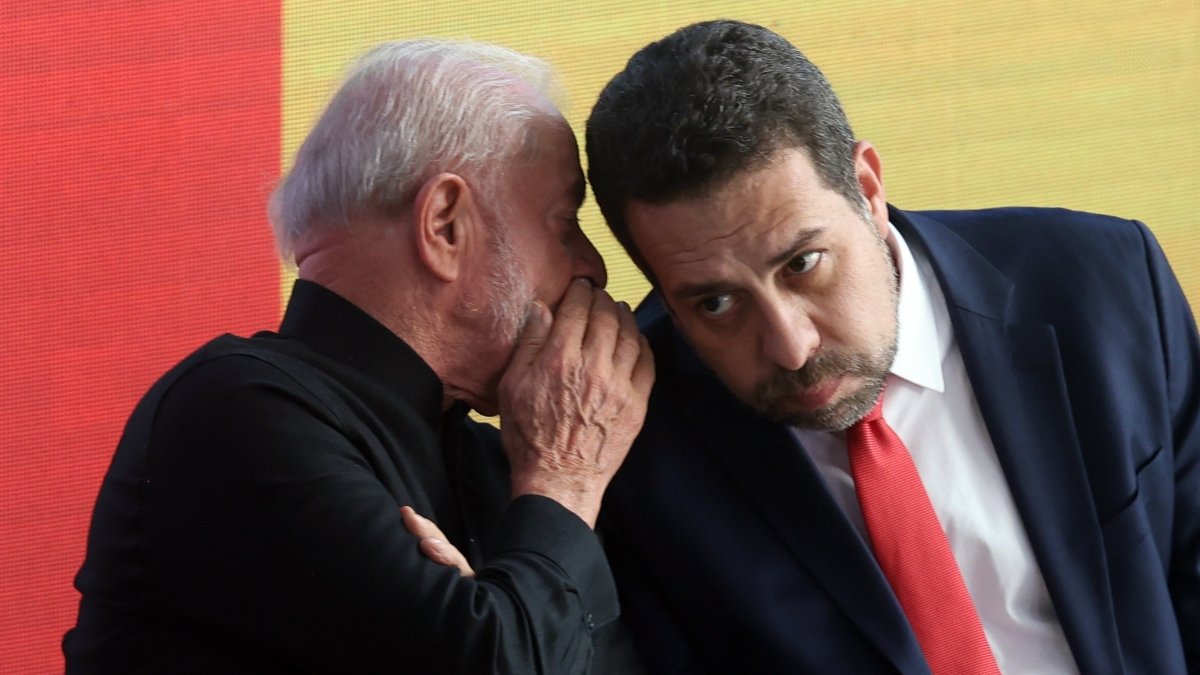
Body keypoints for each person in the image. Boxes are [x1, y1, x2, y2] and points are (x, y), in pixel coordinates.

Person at [585, 19, 1199, 674]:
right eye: (715, 303)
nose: (791, 346)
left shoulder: (1106, 288)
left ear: (868, 188)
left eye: (803, 263)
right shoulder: (637, 452)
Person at [64, 39, 654, 674]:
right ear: (446, 225)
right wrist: (565, 484)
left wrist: (507, 608)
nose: (593, 267)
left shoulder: (500, 461)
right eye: (564, 223)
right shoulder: (233, 410)